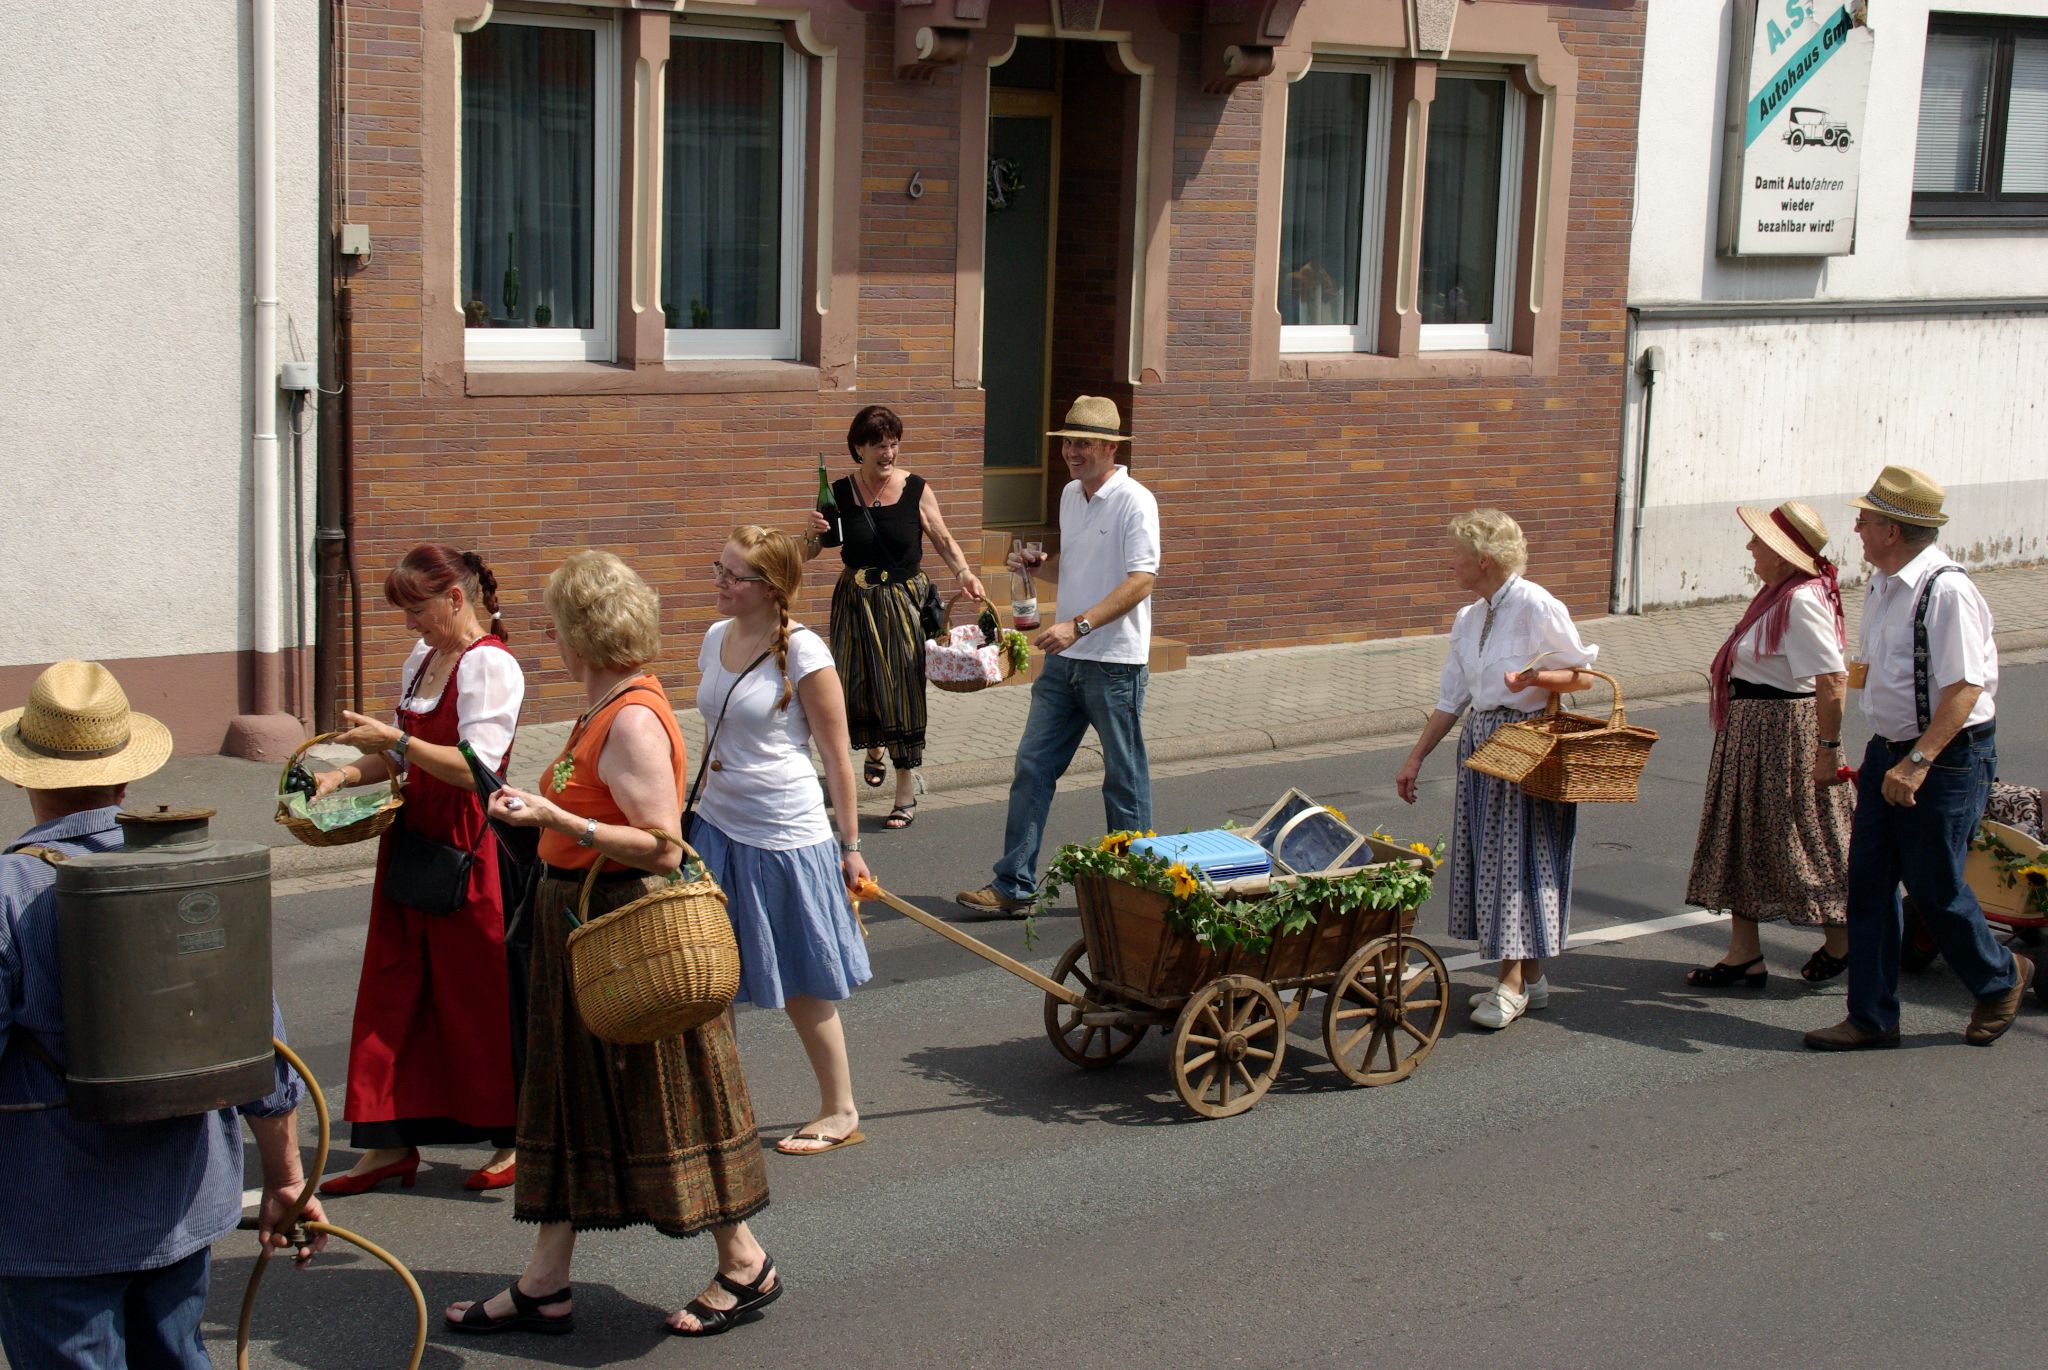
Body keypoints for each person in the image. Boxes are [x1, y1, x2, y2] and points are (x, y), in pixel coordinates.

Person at [446, 549, 779, 1337]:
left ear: (582, 632)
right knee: (568, 1101)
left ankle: (745, 1263)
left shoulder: (630, 716)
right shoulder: (603, 704)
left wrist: (555, 819)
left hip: (628, 934)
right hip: (579, 926)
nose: (550, 639)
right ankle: (545, 1283)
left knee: (669, 1098)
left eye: (555, 625)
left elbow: (661, 846)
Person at [0, 661, 326, 1368]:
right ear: (126, 779)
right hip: (182, 1204)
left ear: (27, 778)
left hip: (52, 1219)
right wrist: (285, 1179)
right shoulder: (198, 870)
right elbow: (262, 1049)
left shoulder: (9, 891)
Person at [314, 544, 526, 1195]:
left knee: (477, 995)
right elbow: (400, 758)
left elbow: (475, 768)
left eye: (417, 611)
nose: (410, 624)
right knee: (396, 989)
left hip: (470, 844)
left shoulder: (490, 664)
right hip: (415, 837)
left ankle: (515, 1135)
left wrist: (398, 740)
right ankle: (388, 1142)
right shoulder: (424, 658)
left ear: (455, 598)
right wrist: (341, 777)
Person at [1805, 466, 2029, 1050]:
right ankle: (1872, 1017)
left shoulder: (1946, 590)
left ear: (1893, 530)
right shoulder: (1883, 583)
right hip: (1891, 749)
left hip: (1945, 756)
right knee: (1869, 885)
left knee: (1934, 887)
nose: (1857, 528)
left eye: (1866, 520)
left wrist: (1919, 760)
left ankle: (2001, 977)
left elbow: (1965, 688)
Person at [698, 526, 875, 1156]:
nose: (721, 582)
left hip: (783, 834)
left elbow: (837, 757)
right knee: (709, 976)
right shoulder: (715, 637)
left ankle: (840, 1109)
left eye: (734, 575)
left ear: (771, 588)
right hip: (716, 826)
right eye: (719, 568)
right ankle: (719, 1107)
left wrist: (849, 844)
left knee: (802, 977)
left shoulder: (804, 653)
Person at [1394, 510, 1598, 1031]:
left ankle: (1510, 984)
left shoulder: (1536, 604)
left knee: (1515, 860)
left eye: (1457, 555)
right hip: (1482, 744)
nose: (1450, 564)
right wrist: (1416, 757)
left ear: (1483, 559)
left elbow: (1582, 676)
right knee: (1493, 858)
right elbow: (1452, 698)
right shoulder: (1468, 617)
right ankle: (1532, 977)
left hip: (1527, 743)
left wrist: (1534, 678)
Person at [957, 396, 1161, 916]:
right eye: (1067, 442)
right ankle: (1013, 885)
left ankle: (1136, 890)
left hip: (1115, 662)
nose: (1071, 452)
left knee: (1124, 779)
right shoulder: (1072, 494)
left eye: (1083, 444)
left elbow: (1141, 580)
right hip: (1065, 660)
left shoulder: (1136, 501)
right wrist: (1038, 565)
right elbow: (1077, 564)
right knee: (1033, 766)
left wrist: (1079, 625)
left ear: (1111, 448)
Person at [1683, 502, 1855, 987]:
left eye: (1758, 541)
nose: (1750, 546)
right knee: (1742, 834)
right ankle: (1745, 953)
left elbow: (1832, 679)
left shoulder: (1801, 600)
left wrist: (1827, 748)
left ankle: (1843, 940)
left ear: (1781, 554)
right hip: (1751, 730)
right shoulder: (1775, 595)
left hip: (1783, 734)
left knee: (1801, 838)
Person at [803, 405, 986, 831]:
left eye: (893, 444)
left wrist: (964, 572)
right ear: (859, 448)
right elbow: (812, 550)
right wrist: (809, 533)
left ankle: (904, 791)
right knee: (856, 685)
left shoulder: (915, 488)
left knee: (903, 691)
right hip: (855, 602)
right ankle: (874, 747)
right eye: (879, 445)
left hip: (903, 602)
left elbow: (942, 537)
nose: (888, 452)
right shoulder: (839, 492)